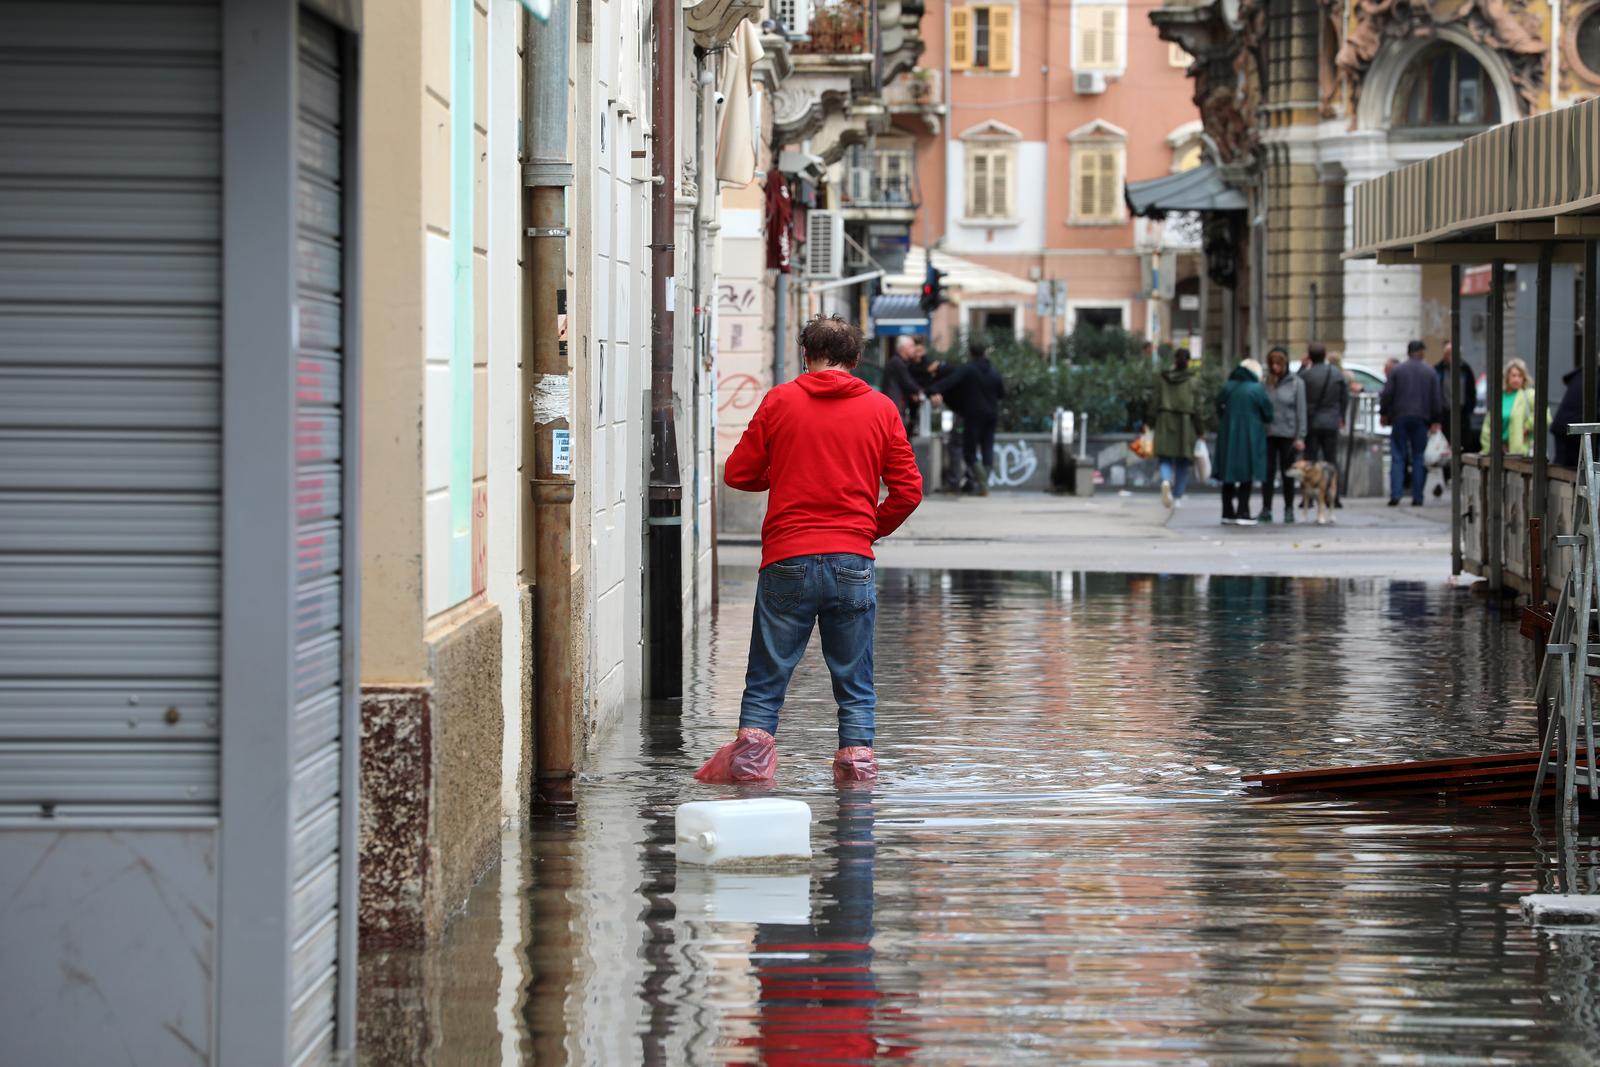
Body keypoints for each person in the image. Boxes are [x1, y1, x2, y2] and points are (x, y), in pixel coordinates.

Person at [702, 315, 924, 785]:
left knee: (766, 681)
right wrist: (865, 532)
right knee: (855, 685)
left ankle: (750, 776)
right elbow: (908, 491)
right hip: (852, 562)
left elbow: (738, 473)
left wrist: (782, 472)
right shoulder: (882, 409)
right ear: (857, 360)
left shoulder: (780, 401)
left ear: (806, 355)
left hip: (787, 558)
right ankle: (857, 782)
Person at [929, 340, 1006, 496]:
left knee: (969, 452)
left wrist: (932, 389)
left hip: (973, 414)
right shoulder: (994, 372)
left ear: (971, 354)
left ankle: (983, 483)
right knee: (987, 447)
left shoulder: (968, 369)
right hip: (992, 414)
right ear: (985, 353)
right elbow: (1002, 393)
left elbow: (950, 382)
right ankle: (984, 484)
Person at [1379, 339, 1444, 506]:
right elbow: (1437, 398)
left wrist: (1384, 413)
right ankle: (1417, 497)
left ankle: (1396, 494)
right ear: (1421, 352)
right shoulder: (1429, 372)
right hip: (1421, 418)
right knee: (1418, 456)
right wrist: (1436, 419)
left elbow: (1387, 394)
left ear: (1408, 352)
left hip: (1399, 417)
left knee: (1398, 456)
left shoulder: (1397, 370)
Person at [1215, 357, 1274, 525]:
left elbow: (1218, 405)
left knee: (1228, 473)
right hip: (1251, 434)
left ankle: (1227, 511)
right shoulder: (1256, 389)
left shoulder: (1228, 387)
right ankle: (1243, 511)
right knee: (1246, 472)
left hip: (1228, 433)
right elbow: (1268, 413)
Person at [1154, 347, 1206, 510]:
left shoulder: (1163, 379)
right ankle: (1177, 496)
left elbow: (1154, 402)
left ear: (1174, 361)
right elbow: (1197, 407)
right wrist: (1200, 429)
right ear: (1188, 362)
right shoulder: (1192, 381)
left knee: (1165, 457)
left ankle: (1165, 480)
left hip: (1165, 419)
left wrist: (1148, 422)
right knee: (1183, 461)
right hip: (1185, 423)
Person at [1298, 343, 1348, 508]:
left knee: (1310, 460)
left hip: (1311, 422)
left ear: (1310, 357)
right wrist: (1341, 416)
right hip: (1331, 421)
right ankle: (1333, 496)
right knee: (1331, 460)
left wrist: (1301, 366)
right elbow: (1344, 397)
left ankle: (1308, 497)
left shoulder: (1306, 375)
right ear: (1325, 354)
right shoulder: (1336, 374)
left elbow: (1296, 391)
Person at [1260, 346, 1307, 523]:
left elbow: (1301, 410)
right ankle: (1266, 509)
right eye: (1272, 363)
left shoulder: (1296, 383)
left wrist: (1300, 436)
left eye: (1278, 363)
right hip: (1269, 433)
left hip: (1288, 434)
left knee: (1288, 474)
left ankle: (1289, 509)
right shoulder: (1266, 382)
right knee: (1268, 473)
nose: (1275, 367)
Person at [1479, 356, 1538, 457]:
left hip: (1520, 452)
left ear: (1524, 378)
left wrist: (1527, 426)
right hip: (1498, 451)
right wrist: (1487, 448)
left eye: (1520, 376)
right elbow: (1488, 425)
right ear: (1507, 377)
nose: (1516, 379)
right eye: (1513, 375)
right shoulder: (1500, 397)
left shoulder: (1529, 395)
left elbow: (1544, 416)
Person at [1551, 365, 1600, 467]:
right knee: (1581, 469)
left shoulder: (1584, 372)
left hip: (1562, 424)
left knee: (1562, 466)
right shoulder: (1593, 376)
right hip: (1576, 428)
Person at [880, 335, 924, 434]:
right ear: (904, 348)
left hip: (896, 405)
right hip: (895, 405)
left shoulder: (900, 362)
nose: (914, 349)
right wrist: (922, 391)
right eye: (912, 346)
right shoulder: (897, 362)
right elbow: (908, 382)